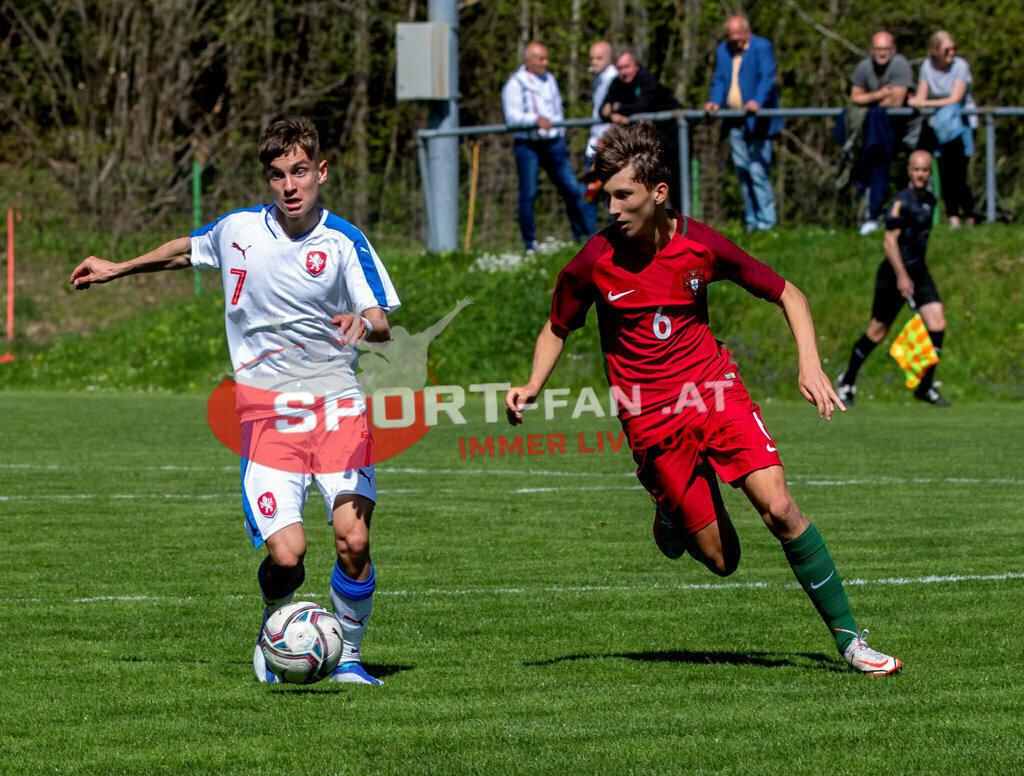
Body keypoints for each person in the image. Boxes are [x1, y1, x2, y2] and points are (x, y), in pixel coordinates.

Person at [506, 121, 902, 676]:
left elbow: (789, 293)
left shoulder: (700, 244)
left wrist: (808, 363)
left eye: (624, 194)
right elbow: (557, 326)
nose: (611, 207)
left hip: (715, 392)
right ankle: (670, 510)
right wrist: (532, 384)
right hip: (649, 419)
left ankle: (851, 642)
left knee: (781, 508)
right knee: (723, 561)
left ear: (657, 193)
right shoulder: (592, 260)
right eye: (606, 194)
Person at [69, 116, 401, 685]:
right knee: (289, 554)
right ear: (268, 181)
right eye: (278, 175)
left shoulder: (346, 241)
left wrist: (360, 325)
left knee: (354, 539)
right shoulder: (239, 230)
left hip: (336, 406)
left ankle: (346, 656)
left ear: (320, 171)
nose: (290, 185)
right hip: (267, 414)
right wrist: (116, 268)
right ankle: (276, 622)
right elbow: (185, 251)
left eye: (300, 171)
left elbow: (381, 321)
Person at [837, 150, 950, 407]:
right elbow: (889, 241)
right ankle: (847, 380)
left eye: (925, 170)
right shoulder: (902, 201)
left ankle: (924, 386)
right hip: (894, 274)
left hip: (919, 272)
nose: (921, 175)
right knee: (877, 332)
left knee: (937, 323)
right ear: (909, 171)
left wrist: (912, 275)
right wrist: (901, 276)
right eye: (917, 170)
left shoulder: (930, 201)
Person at [502, 41, 591, 253]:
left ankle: (583, 237)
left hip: (553, 142)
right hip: (528, 144)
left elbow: (557, 108)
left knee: (571, 187)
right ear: (528, 61)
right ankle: (530, 244)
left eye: (546, 58)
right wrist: (535, 119)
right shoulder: (515, 84)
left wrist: (559, 132)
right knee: (529, 193)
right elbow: (512, 117)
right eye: (540, 59)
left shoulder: (549, 79)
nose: (545, 63)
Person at [704, 16, 783, 232]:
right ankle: (751, 223)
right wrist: (714, 101)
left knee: (758, 170)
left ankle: (768, 223)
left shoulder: (762, 47)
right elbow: (720, 79)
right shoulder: (724, 50)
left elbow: (767, 77)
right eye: (732, 35)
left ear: (747, 32)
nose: (735, 39)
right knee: (742, 171)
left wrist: (757, 101)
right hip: (734, 121)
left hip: (758, 121)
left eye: (739, 34)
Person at [848, 31, 915, 235]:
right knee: (871, 163)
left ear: (893, 50)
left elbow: (895, 102)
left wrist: (869, 99)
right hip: (876, 130)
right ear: (871, 50)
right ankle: (873, 214)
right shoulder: (864, 67)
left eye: (886, 49)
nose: (882, 53)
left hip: (906, 129)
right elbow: (854, 97)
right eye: (878, 49)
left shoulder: (900, 65)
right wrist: (879, 95)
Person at [908, 30, 977, 227]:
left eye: (954, 48)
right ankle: (953, 216)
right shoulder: (927, 66)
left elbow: (955, 98)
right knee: (945, 172)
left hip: (961, 126)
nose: (952, 53)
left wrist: (926, 102)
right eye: (947, 49)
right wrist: (918, 102)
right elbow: (921, 96)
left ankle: (970, 214)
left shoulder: (961, 66)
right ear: (935, 50)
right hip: (939, 126)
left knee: (959, 173)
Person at [600, 48, 683, 210]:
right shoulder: (616, 83)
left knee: (673, 179)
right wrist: (613, 116)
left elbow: (643, 105)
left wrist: (618, 107)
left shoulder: (646, 78)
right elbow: (602, 109)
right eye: (620, 68)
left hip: (671, 135)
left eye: (627, 67)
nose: (623, 72)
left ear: (636, 66)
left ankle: (679, 216)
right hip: (649, 140)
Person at [580, 40, 618, 234]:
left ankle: (611, 237)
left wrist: (605, 139)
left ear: (609, 58)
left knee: (608, 193)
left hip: (604, 145)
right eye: (592, 58)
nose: (594, 62)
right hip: (594, 143)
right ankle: (590, 239)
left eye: (599, 58)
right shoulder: (599, 78)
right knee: (589, 192)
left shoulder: (614, 78)